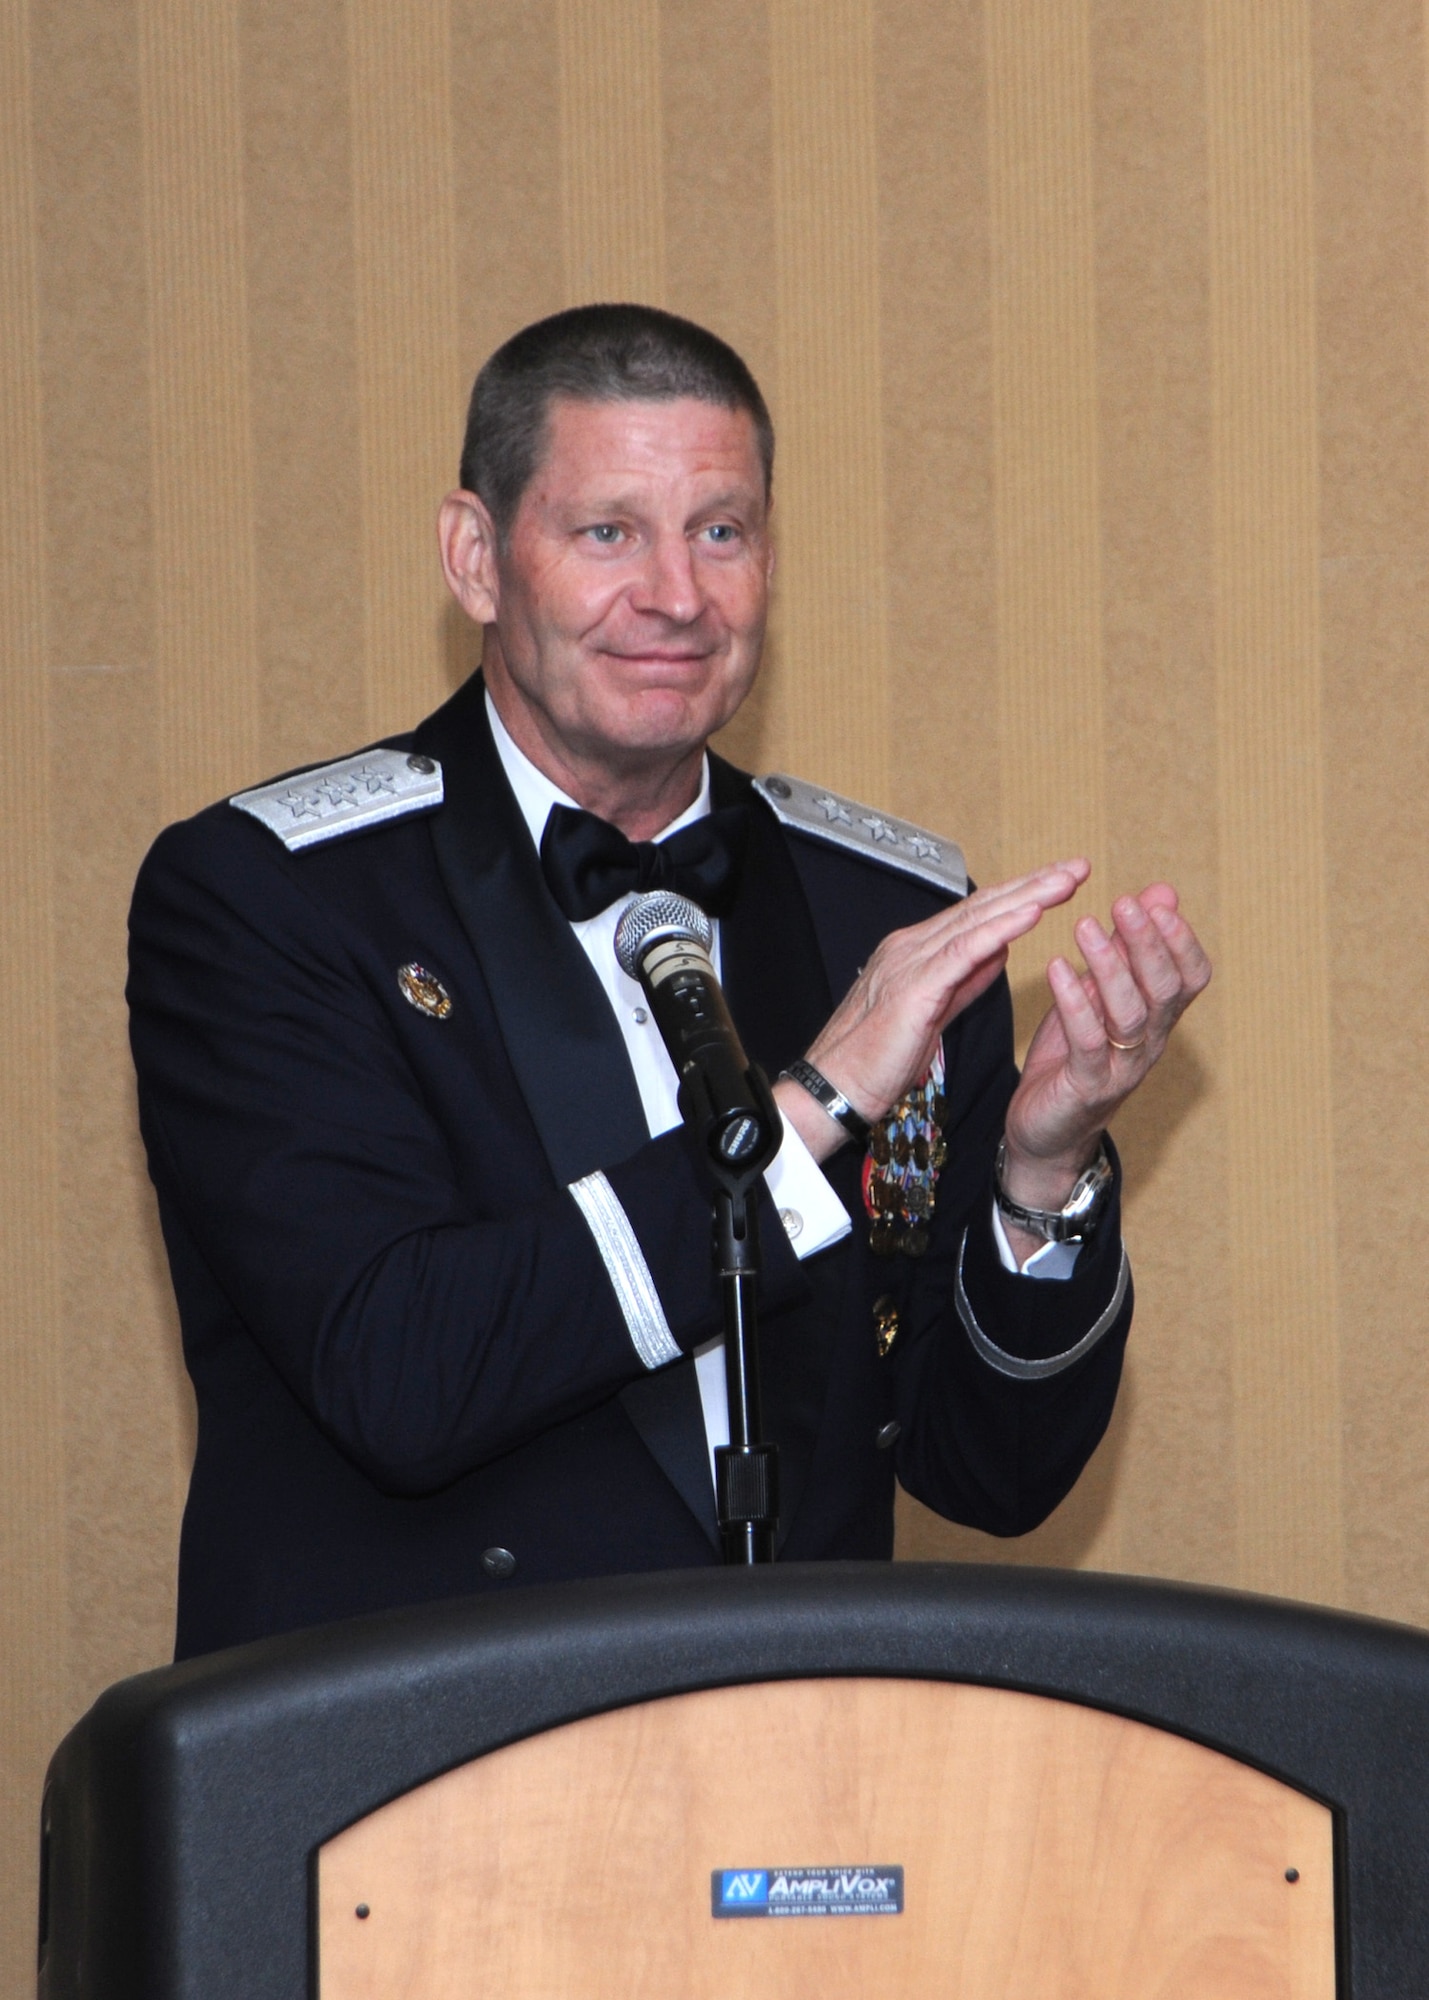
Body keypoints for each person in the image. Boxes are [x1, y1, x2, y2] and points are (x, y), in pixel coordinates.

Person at [128, 305, 1210, 1660]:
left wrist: (1040, 1175)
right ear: (476, 556)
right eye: (606, 533)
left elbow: (988, 1476)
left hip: (796, 1770)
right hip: (413, 1765)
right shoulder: (273, 895)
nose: (677, 597)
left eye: (720, 531)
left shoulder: (885, 910)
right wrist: (810, 1109)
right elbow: (399, 1377)